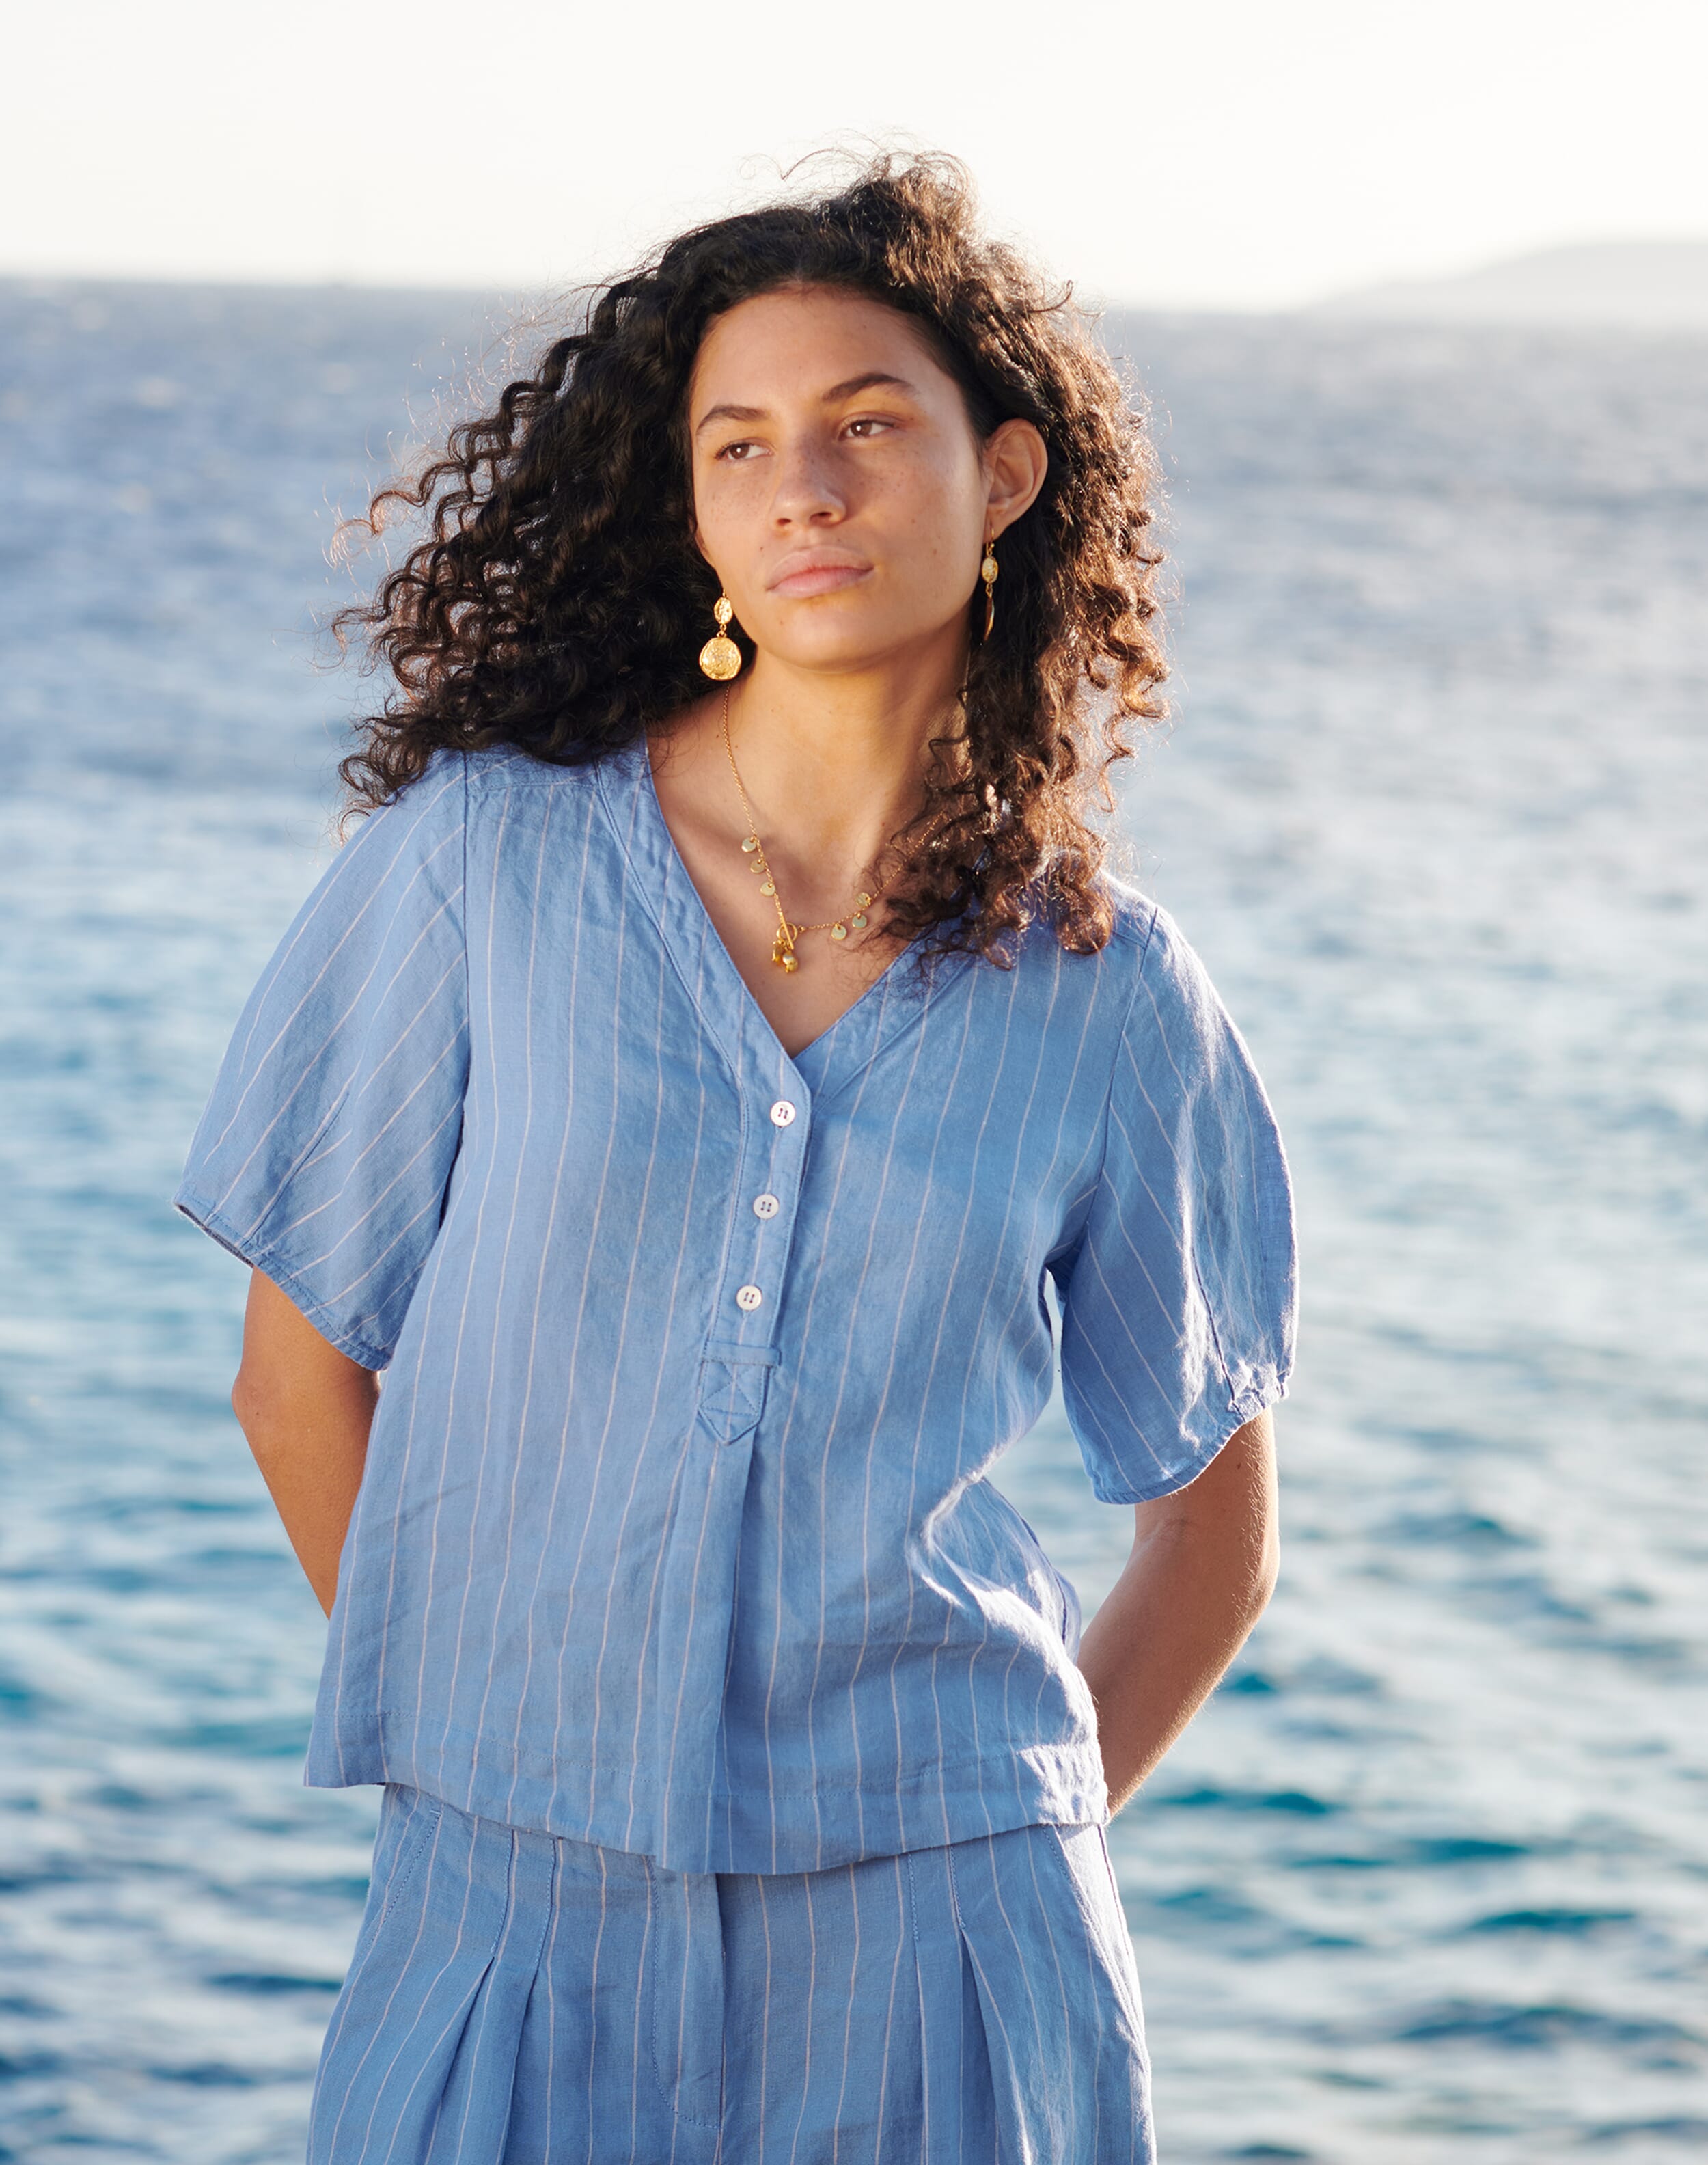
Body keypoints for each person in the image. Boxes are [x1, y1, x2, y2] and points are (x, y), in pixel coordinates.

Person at [174, 148, 1296, 2164]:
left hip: (953, 1952)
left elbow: (1209, 1532)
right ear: (688, 512)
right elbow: (293, 1377)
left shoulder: (1111, 995)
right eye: (741, 443)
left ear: (1008, 474)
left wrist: (988, 1842)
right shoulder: (478, 873)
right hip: (508, 1925)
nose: (805, 487)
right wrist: (502, 1748)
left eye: (869, 426)